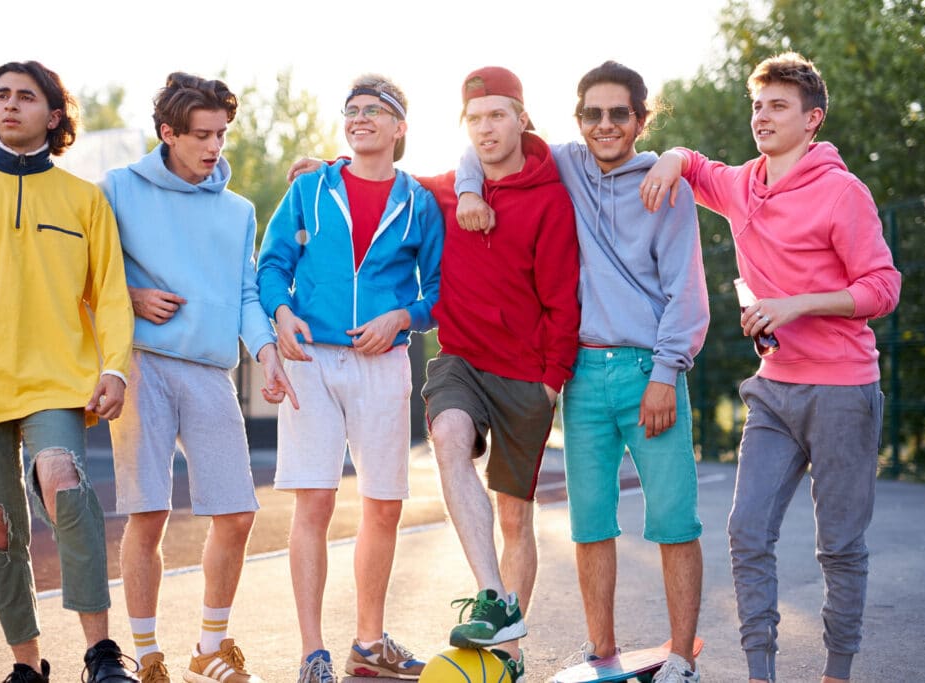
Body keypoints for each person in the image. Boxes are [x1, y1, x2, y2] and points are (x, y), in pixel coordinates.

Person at [641, 52, 901, 683]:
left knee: (839, 546)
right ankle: (761, 673)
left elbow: (884, 287)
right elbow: (697, 166)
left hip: (843, 390)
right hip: (775, 392)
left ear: (812, 120)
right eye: (757, 105)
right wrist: (673, 156)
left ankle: (836, 673)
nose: (762, 116)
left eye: (778, 106)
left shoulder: (843, 193)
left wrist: (796, 305)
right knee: (746, 531)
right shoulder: (742, 185)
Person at [456, 61, 709, 682]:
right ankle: (602, 651)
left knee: (673, 521)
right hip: (583, 376)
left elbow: (688, 293)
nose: (604, 125)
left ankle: (681, 659)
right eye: (591, 113)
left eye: (618, 113)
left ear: (640, 120)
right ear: (577, 120)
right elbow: (484, 144)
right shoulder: (563, 164)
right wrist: (466, 188)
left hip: (651, 369)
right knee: (590, 523)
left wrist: (666, 373)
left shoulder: (666, 187)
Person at [0, 60, 138, 683]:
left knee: (63, 480)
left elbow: (113, 295)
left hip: (56, 381)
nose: (10, 105)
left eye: (26, 96)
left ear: (54, 114)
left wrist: (115, 368)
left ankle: (100, 653)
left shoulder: (83, 201)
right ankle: (27, 663)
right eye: (1, 96)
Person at [101, 72, 296, 683]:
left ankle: (209, 649)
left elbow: (244, 292)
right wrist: (130, 296)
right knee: (149, 512)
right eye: (203, 135)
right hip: (143, 365)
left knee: (237, 512)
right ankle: (148, 654)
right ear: (168, 133)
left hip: (211, 369)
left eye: (223, 133)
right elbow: (88, 276)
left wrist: (266, 352)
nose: (216, 147)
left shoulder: (238, 210)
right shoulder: (118, 189)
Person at [257, 74, 443, 683]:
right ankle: (314, 652)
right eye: (352, 110)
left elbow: (439, 292)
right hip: (310, 361)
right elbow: (272, 264)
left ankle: (368, 644)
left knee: (383, 507)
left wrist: (403, 316)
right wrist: (282, 314)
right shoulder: (311, 188)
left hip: (383, 363)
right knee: (314, 502)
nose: (360, 118)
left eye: (374, 111)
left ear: (399, 128)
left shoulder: (419, 202)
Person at [410, 66, 582, 683]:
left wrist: (550, 380)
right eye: (476, 119)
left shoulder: (551, 198)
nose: (486, 128)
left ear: (521, 118)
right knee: (449, 440)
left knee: (515, 517)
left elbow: (564, 299)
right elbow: (384, 184)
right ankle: (494, 595)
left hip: (527, 376)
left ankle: (508, 657)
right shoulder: (448, 189)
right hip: (460, 359)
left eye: (497, 116)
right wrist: (323, 171)